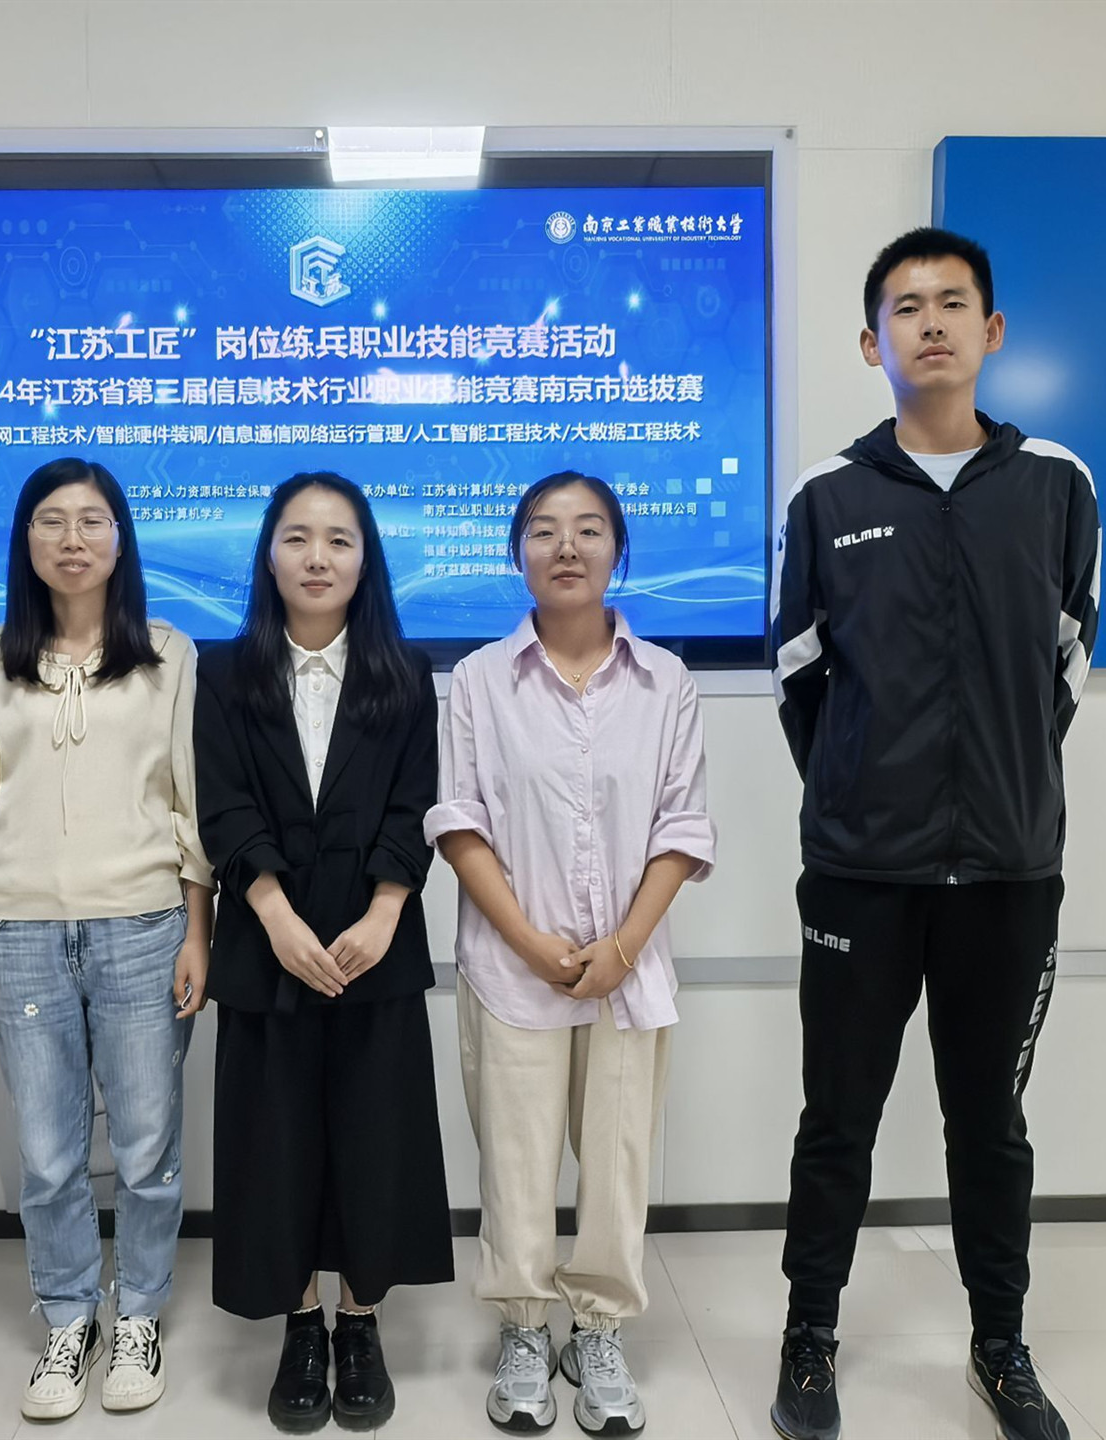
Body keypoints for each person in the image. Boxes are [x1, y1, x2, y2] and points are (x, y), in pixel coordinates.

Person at [767, 228, 1101, 1440]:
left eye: (953, 303)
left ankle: (999, 1344)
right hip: (862, 874)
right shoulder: (828, 495)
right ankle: (810, 1337)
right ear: (874, 344)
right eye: (905, 308)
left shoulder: (1056, 484)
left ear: (992, 331)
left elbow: (1066, 664)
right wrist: (869, 792)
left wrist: (998, 789)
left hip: (1008, 873)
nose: (932, 324)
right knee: (837, 1121)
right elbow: (799, 679)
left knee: (990, 1124)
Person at [427, 471, 716, 1437]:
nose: (566, 547)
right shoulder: (479, 680)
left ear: (617, 551)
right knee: (514, 1161)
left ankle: (597, 1330)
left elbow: (683, 826)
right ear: (517, 552)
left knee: (618, 1160)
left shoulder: (666, 681)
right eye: (544, 530)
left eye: (589, 530)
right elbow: (459, 822)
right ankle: (522, 1327)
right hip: (512, 969)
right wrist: (529, 940)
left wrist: (622, 948)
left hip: (628, 974)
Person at [0, 456, 213, 1422]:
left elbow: (189, 800)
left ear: (120, 538)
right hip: (18, 933)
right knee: (49, 1151)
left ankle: (136, 1315)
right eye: (51, 521)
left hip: (143, 925)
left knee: (146, 1146)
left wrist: (198, 930)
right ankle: (68, 1320)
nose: (72, 539)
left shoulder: (168, 654)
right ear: (26, 541)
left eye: (91, 520)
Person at [195, 472, 453, 1434]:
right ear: (268, 555)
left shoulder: (404, 672)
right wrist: (271, 913)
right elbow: (222, 803)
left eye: (339, 540)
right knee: (275, 1143)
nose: (317, 557)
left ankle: (361, 1320)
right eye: (297, 538)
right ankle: (301, 1324)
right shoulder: (224, 674)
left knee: (373, 1140)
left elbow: (417, 804)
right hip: (267, 945)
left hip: (373, 945)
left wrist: (386, 912)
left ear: (364, 559)